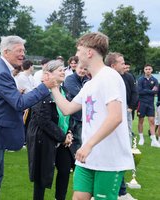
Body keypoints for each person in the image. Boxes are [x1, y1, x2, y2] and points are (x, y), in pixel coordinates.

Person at [51, 32, 134, 200]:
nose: (77, 54)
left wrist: (88, 145)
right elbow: (67, 108)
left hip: (109, 159)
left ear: (89, 52)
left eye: (79, 49)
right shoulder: (90, 83)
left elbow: (115, 117)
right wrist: (53, 87)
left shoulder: (109, 77)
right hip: (87, 158)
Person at [0, 35, 56, 200]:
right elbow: (19, 103)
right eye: (19, 51)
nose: (23, 54)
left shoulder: (0, 69)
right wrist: (44, 87)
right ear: (6, 51)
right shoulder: (1, 72)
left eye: (23, 50)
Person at [27, 60, 73, 200]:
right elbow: (43, 121)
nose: (63, 72)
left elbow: (68, 114)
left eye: (64, 69)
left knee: (65, 170)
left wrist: (69, 133)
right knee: (42, 175)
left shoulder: (65, 91)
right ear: (49, 74)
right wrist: (62, 137)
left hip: (63, 139)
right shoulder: (41, 92)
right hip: (44, 139)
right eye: (59, 70)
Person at [105, 52, 138, 200]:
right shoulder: (107, 80)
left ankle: (121, 191)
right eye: (122, 62)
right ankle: (119, 191)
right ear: (113, 65)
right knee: (113, 153)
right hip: (111, 121)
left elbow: (135, 93)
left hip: (124, 116)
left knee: (122, 150)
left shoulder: (127, 78)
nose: (124, 65)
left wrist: (130, 107)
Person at [63, 61, 89, 156]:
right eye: (80, 68)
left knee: (82, 140)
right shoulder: (70, 79)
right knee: (75, 140)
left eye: (85, 69)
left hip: (83, 117)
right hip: (73, 116)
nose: (82, 71)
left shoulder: (87, 80)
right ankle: (74, 162)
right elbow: (80, 96)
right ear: (76, 68)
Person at [137, 64, 160, 147]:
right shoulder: (140, 79)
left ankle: (153, 140)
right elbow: (139, 91)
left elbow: (156, 91)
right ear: (144, 70)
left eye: (149, 69)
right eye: (146, 69)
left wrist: (146, 91)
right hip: (142, 102)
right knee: (141, 121)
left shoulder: (155, 80)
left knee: (152, 121)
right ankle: (141, 138)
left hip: (150, 103)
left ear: (152, 70)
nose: (148, 70)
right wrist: (150, 91)